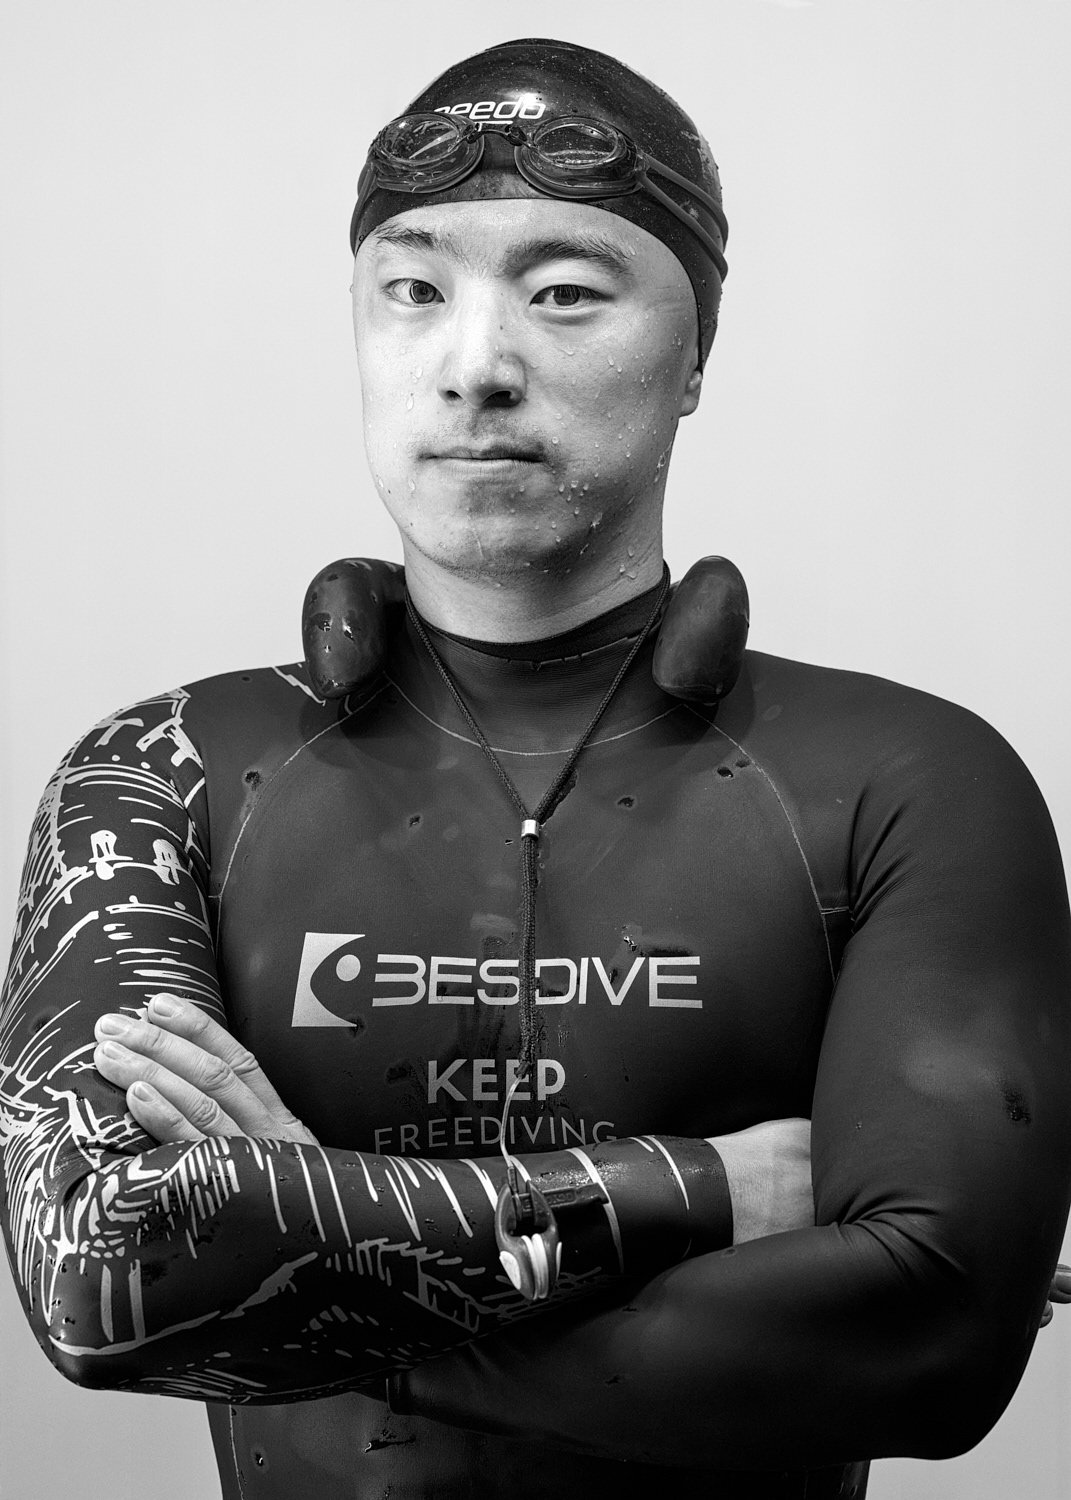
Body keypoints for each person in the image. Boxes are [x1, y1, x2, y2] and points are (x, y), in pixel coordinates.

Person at [2, 35, 1069, 1500]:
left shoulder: (910, 781)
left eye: (564, 293)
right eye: (414, 291)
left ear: (695, 357)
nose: (476, 367)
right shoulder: (162, 773)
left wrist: (303, 1255)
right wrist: (707, 1192)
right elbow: (101, 1270)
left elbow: (933, 1339)